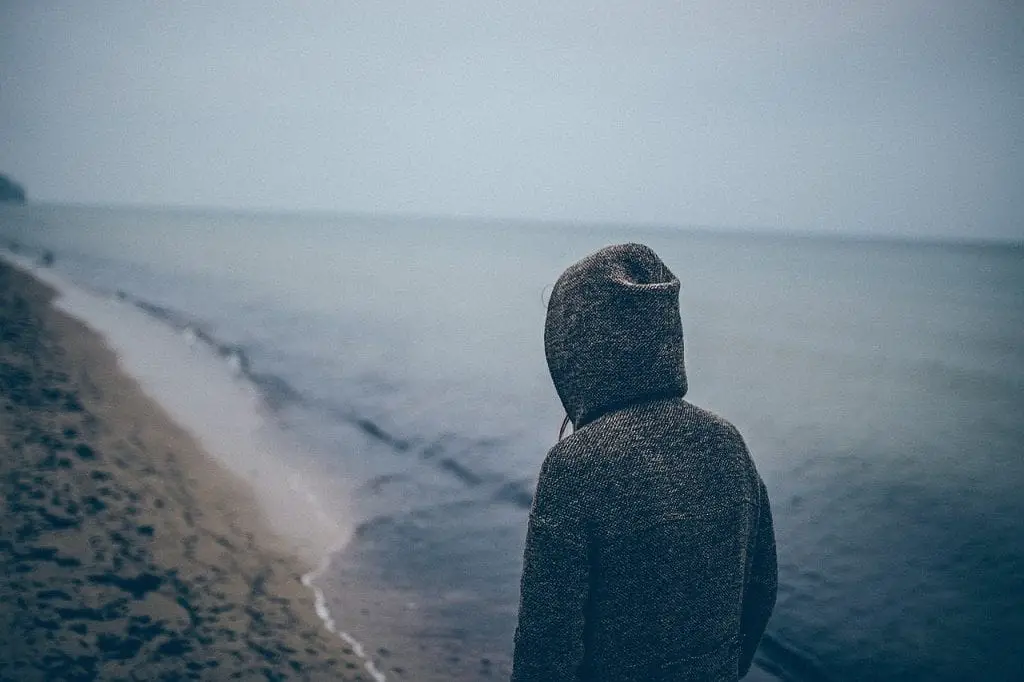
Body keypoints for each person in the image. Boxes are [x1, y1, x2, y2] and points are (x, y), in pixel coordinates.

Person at [511, 243, 777, 682]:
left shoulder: (576, 466)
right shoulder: (727, 443)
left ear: (573, 350)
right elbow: (761, 590)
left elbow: (547, 645)